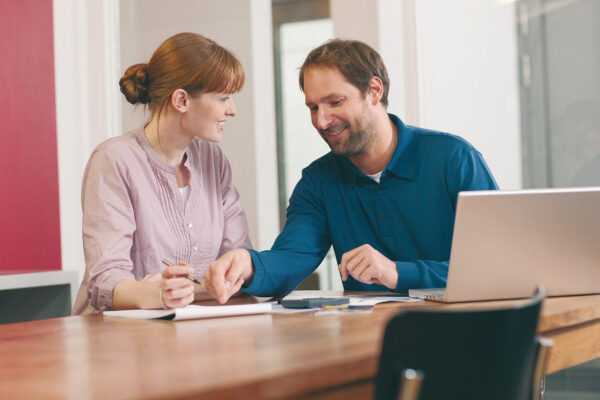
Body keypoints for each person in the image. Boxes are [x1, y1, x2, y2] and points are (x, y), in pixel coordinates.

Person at [204, 39, 498, 304]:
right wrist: (249, 265)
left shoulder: (453, 158)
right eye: (313, 107)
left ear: (374, 91)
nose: (321, 121)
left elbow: (495, 265)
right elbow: (292, 258)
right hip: (370, 343)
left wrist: (398, 273)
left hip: (465, 333)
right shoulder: (317, 182)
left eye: (334, 102)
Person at [72, 32, 251, 314]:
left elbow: (237, 261)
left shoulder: (213, 161)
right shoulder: (113, 160)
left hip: (190, 333)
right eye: (223, 98)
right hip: (115, 341)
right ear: (181, 100)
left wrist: (234, 273)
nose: (232, 110)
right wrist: (153, 292)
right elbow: (104, 281)